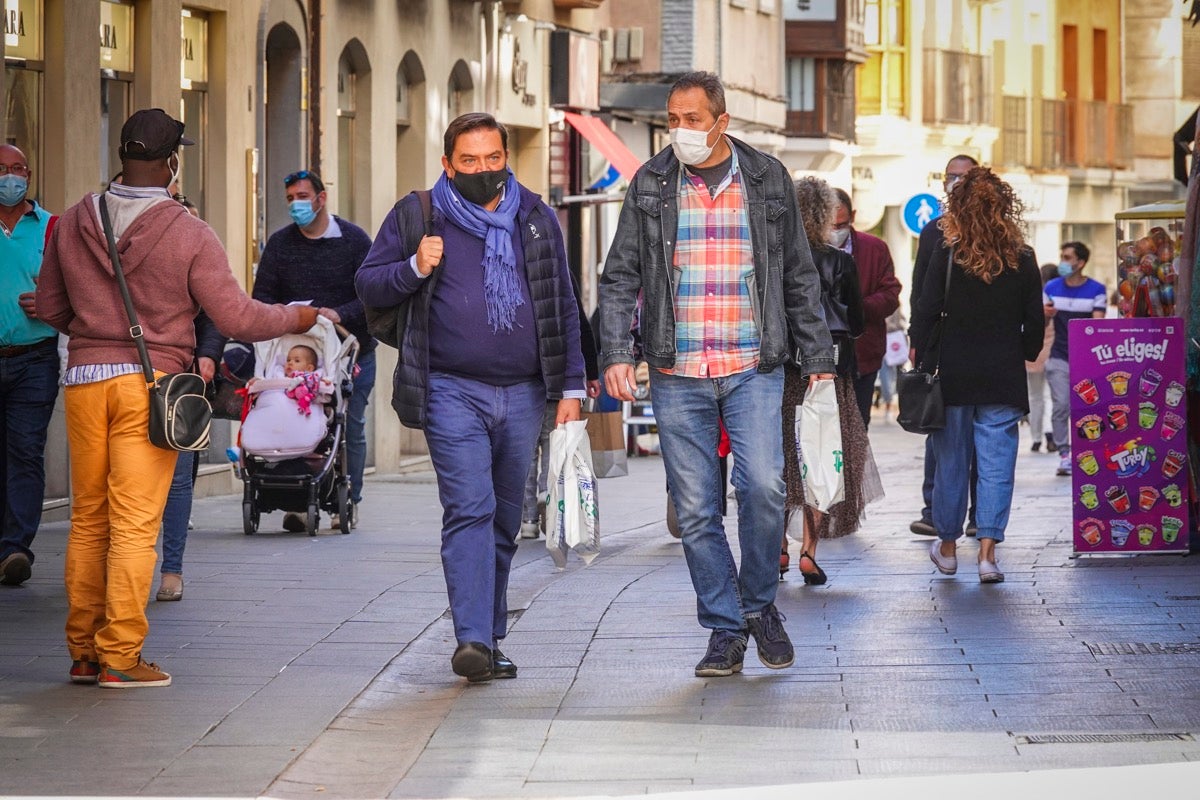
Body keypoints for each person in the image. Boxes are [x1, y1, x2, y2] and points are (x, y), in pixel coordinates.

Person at [36, 108, 318, 687]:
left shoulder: (70, 221)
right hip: (151, 384)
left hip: (86, 382)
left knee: (89, 519)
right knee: (139, 523)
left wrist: (95, 324)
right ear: (171, 161)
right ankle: (120, 655)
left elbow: (51, 307)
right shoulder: (189, 230)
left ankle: (84, 653)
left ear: (121, 155)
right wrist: (299, 315)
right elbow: (236, 315)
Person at [597, 71, 835, 678]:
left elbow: (799, 277)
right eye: (673, 120)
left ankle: (758, 606)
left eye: (692, 119)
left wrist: (818, 362)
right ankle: (725, 628)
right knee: (696, 509)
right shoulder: (651, 182)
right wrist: (617, 352)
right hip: (677, 368)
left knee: (763, 489)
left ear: (721, 122)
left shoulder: (766, 178)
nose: (681, 131)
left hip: (754, 363)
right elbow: (621, 274)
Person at [355, 112, 587, 683]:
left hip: (527, 392)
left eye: (492, 160)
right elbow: (368, 284)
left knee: (506, 519)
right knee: (470, 510)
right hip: (450, 388)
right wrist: (414, 266)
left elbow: (561, 301)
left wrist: (572, 386)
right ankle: (472, 639)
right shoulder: (420, 214)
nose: (483, 171)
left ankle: (490, 634)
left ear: (507, 158)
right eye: (469, 161)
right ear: (447, 164)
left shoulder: (534, 217)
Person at [909, 167, 1043, 584]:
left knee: (950, 463)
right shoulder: (1022, 257)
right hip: (1002, 375)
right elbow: (1033, 323)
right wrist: (1021, 352)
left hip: (953, 375)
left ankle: (948, 549)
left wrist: (924, 357)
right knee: (997, 465)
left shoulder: (948, 254)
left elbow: (925, 312)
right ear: (1004, 206)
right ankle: (987, 555)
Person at [254, 169, 374, 531]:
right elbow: (262, 298)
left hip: (350, 353)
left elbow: (373, 296)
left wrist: (341, 313)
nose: (296, 205)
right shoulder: (280, 245)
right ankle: (296, 498)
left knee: (348, 425)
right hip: (293, 357)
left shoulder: (354, 241)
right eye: (290, 199)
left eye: (302, 197)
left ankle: (346, 499)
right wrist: (283, 317)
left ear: (322, 199)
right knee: (293, 423)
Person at [781, 177, 882, 586]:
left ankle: (776, 552)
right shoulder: (840, 261)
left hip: (783, 372)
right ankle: (809, 549)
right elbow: (857, 321)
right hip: (830, 373)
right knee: (823, 458)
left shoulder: (777, 258)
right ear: (826, 215)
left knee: (784, 459)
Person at [909, 154, 979, 537]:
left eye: (964, 177)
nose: (956, 183)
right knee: (939, 429)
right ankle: (933, 511)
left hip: (980, 347)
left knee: (980, 435)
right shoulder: (934, 231)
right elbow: (921, 289)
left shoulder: (996, 231)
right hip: (940, 347)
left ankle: (978, 516)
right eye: (950, 176)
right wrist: (916, 340)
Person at [156, 192, 221, 604]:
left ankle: (171, 570)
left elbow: (215, 314)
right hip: (133, 374)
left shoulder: (199, 255)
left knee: (179, 479)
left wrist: (209, 354)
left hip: (183, 381)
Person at [0, 144, 59, 587]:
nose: (10, 177)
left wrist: (51, 305)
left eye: (17, 169)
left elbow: (79, 290)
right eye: (2, 170)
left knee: (24, 451)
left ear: (30, 174)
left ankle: (15, 548)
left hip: (34, 359)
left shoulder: (53, 228)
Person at [830, 188, 901, 429]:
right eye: (831, 225)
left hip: (864, 355)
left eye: (842, 225)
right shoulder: (810, 250)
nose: (836, 231)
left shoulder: (875, 248)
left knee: (858, 428)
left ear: (853, 217)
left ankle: (855, 468)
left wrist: (858, 308)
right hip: (823, 359)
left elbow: (891, 293)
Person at [1043, 240, 1105, 476]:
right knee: (1061, 405)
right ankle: (1064, 453)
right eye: (1062, 257)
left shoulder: (1096, 290)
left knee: (1087, 408)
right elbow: (1044, 321)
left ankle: (1087, 451)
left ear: (1081, 262)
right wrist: (1045, 315)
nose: (1063, 262)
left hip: (1087, 360)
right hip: (1059, 357)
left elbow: (1097, 326)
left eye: (1068, 258)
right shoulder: (1051, 287)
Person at [1024, 264, 1057, 454]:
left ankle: (1036, 437)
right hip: (1052, 352)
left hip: (1033, 354)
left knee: (1035, 397)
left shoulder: (1033, 294)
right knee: (1049, 397)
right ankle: (1049, 434)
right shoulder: (1053, 297)